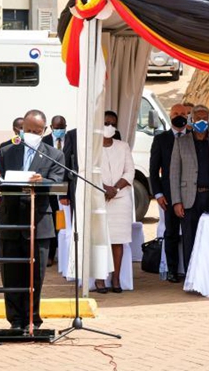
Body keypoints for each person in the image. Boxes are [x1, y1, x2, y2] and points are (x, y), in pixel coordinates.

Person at [0, 109, 64, 332]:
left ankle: (32, 319)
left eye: (37, 131)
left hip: (38, 224)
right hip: (10, 221)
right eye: (28, 130)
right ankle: (15, 320)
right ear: (21, 129)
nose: (32, 134)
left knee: (36, 276)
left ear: (44, 131)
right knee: (11, 275)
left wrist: (42, 180)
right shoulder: (7, 150)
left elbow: (57, 182)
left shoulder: (55, 155)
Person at [170, 105, 209, 271]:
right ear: (192, 120)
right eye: (198, 119)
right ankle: (192, 276)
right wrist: (176, 201)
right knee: (190, 239)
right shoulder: (181, 142)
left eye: (205, 118)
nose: (201, 122)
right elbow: (174, 175)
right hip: (190, 198)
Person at [149, 103, 190, 283]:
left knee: (190, 233)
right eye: (175, 113)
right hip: (168, 195)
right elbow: (153, 171)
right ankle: (172, 270)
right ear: (170, 116)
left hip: (191, 194)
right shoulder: (161, 139)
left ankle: (190, 269)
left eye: (183, 113)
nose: (179, 116)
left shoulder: (193, 138)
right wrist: (158, 194)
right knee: (171, 233)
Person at [96, 111, 135, 293]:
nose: (109, 126)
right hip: (99, 198)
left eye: (113, 123)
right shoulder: (92, 146)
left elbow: (130, 172)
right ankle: (100, 278)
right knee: (100, 240)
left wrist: (116, 188)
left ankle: (116, 278)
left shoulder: (123, 146)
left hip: (120, 199)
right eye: (106, 123)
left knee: (117, 241)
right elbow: (89, 171)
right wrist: (104, 188)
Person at [41, 115, 75, 267]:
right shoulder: (44, 142)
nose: (60, 130)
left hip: (65, 190)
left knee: (62, 224)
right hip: (49, 189)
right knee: (51, 221)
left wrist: (64, 193)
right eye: (57, 128)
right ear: (51, 127)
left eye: (62, 127)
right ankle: (50, 255)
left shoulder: (71, 140)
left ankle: (65, 255)